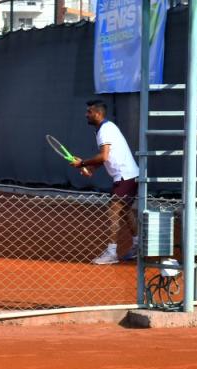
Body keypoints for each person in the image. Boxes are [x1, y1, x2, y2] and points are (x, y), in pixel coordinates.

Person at [72, 99, 140, 265]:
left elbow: (103, 156)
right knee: (125, 211)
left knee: (114, 211)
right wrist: (92, 169)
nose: (86, 115)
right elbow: (107, 158)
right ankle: (139, 246)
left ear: (98, 113)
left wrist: (82, 163)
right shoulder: (104, 128)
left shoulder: (105, 130)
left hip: (125, 176)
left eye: (89, 112)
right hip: (128, 175)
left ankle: (111, 253)